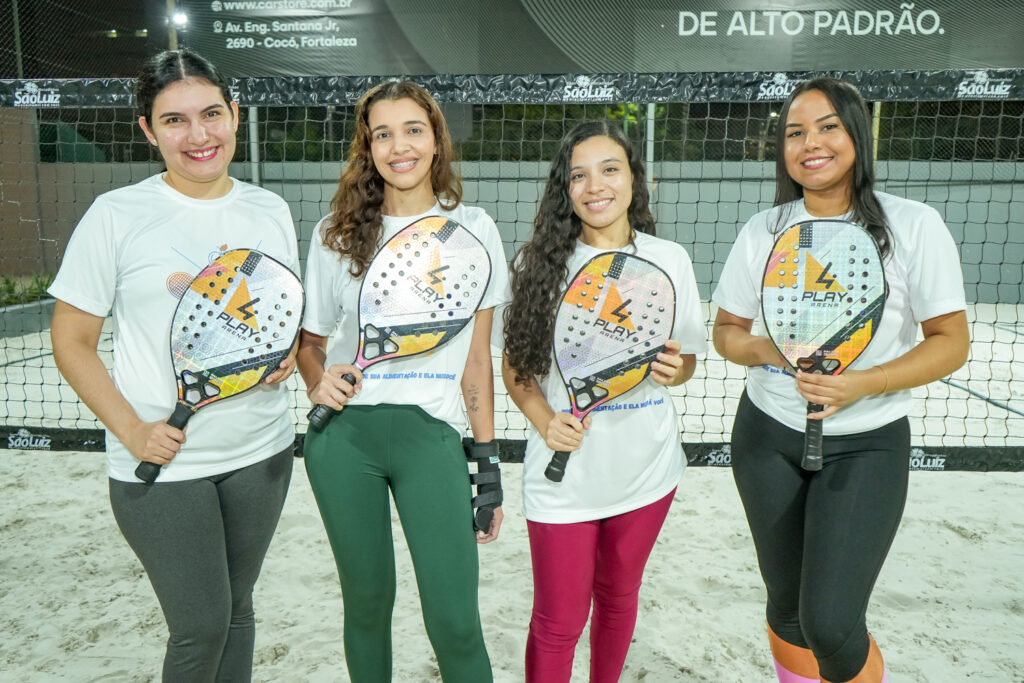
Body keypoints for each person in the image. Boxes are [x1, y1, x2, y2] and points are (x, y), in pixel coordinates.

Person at [48, 49, 299, 681]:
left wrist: (288, 354)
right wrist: (134, 431)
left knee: (238, 614)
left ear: (235, 116)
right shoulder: (116, 216)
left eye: (211, 114)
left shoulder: (268, 209)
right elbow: (72, 340)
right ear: (147, 130)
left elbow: (273, 315)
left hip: (260, 450)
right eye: (175, 120)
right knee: (200, 627)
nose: (199, 135)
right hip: (161, 463)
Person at [712, 77, 970, 683]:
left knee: (830, 621)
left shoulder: (914, 225)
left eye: (828, 126)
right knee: (787, 609)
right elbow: (726, 333)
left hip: (868, 441)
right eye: (795, 132)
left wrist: (863, 383)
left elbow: (951, 343)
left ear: (858, 132)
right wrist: (770, 353)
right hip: (767, 434)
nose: (810, 144)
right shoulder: (764, 230)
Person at [297, 80, 509, 682]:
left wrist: (487, 465)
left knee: (455, 620)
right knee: (367, 605)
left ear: (436, 139)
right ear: (368, 147)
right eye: (382, 134)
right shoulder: (334, 234)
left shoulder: (473, 230)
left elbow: (476, 361)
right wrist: (318, 380)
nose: (399, 147)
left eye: (413, 129)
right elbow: (310, 346)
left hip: (431, 440)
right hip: (342, 442)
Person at [501, 120, 707, 682]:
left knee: (618, 598)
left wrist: (675, 369)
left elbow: (685, 360)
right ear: (564, 191)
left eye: (610, 170)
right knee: (558, 621)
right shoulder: (538, 267)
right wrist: (546, 423)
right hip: (564, 474)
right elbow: (517, 370)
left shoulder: (670, 260)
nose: (596, 186)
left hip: (646, 468)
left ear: (635, 180)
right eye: (579, 176)